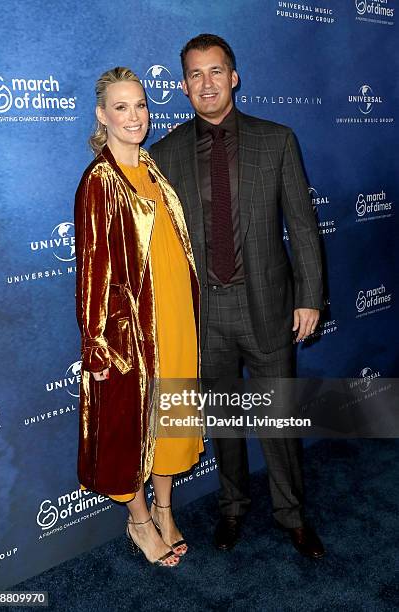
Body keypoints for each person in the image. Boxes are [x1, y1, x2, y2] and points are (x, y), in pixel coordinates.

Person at [150, 34, 325, 559]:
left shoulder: (277, 140)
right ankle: (232, 509)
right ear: (183, 86)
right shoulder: (163, 154)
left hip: (268, 304)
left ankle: (292, 514)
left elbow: (302, 223)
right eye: (196, 75)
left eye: (216, 71)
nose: (207, 82)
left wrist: (310, 295)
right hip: (205, 313)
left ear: (234, 76)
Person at [74, 67, 203, 567]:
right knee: (126, 428)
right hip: (129, 333)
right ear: (102, 115)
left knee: (171, 420)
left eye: (141, 105)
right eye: (121, 107)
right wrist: (97, 343)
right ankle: (140, 520)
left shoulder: (154, 170)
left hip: (174, 317)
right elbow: (91, 273)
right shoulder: (100, 182)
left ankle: (166, 510)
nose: (135, 116)